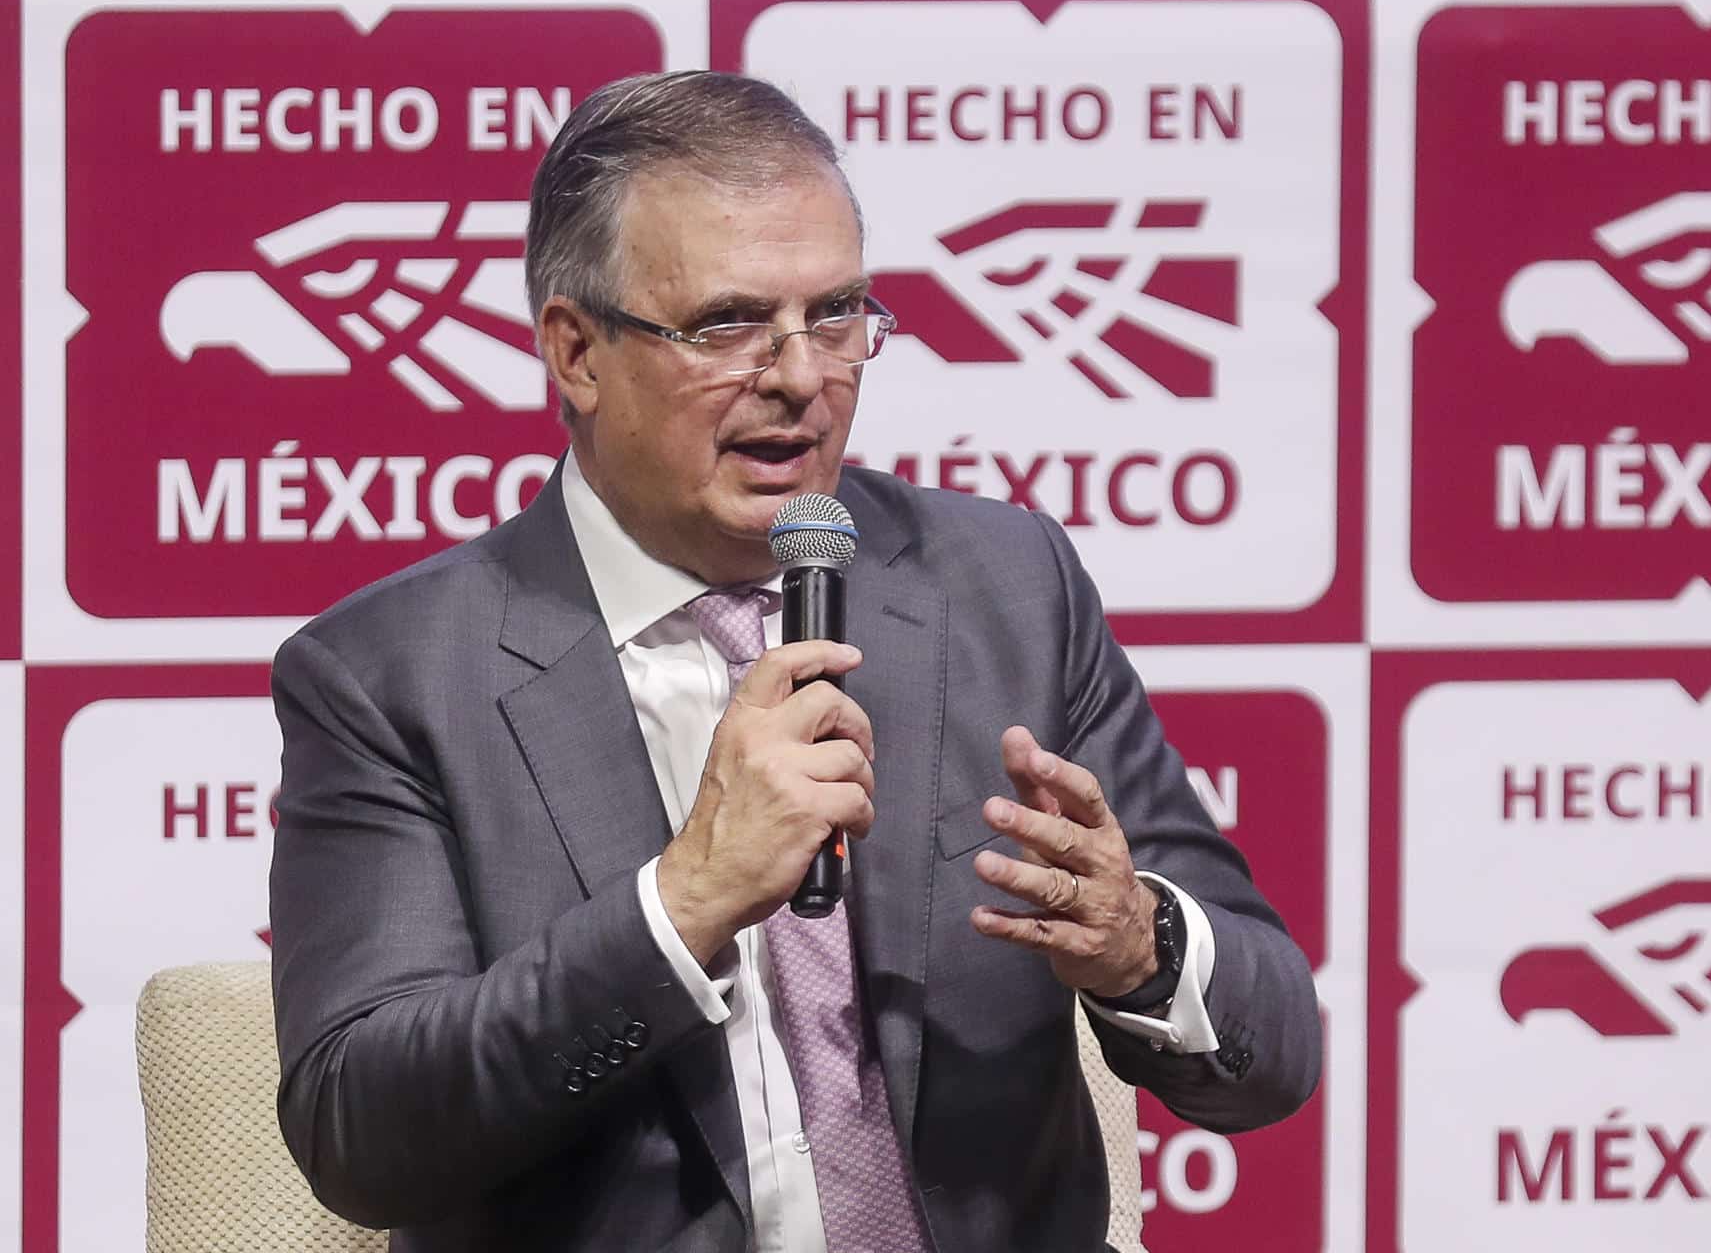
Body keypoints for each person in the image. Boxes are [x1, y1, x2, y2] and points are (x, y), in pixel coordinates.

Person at [268, 70, 1320, 1253]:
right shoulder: (392, 676)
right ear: (576, 352)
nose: (802, 376)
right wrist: (686, 901)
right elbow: (360, 1131)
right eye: (727, 323)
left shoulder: (1005, 587)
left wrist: (1143, 945)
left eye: (837, 314)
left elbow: (1275, 1049)